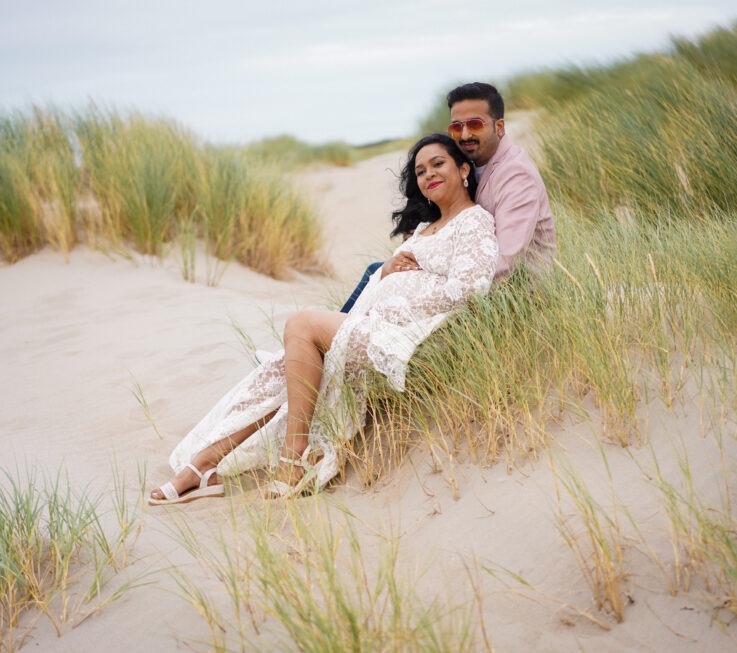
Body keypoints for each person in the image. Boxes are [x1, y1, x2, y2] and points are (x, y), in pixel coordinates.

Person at [150, 133, 499, 504]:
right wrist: (386, 271)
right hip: (374, 328)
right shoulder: (420, 231)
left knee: (301, 325)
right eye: (420, 170)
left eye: (438, 164)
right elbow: (386, 282)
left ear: (463, 169)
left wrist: (412, 285)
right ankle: (205, 464)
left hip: (407, 340)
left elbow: (470, 288)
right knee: (286, 368)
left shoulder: (473, 222)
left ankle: (290, 457)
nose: (428, 174)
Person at [340, 82, 556, 313]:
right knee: (381, 270)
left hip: (514, 298)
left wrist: (426, 283)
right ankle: (336, 334)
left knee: (387, 284)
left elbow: (503, 263)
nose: (464, 135)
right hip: (465, 277)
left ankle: (336, 333)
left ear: (499, 127)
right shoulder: (473, 162)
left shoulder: (516, 177)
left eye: (475, 124)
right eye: (456, 127)